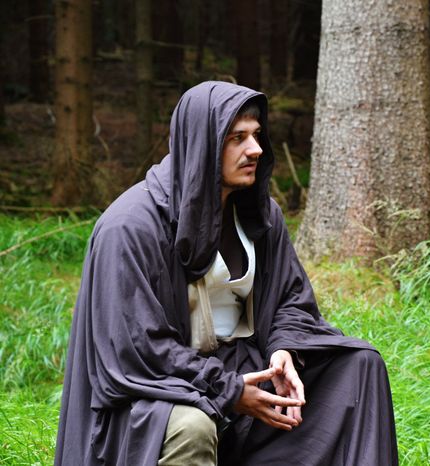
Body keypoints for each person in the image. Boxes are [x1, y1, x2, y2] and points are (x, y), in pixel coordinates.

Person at [54, 81, 398, 465]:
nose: (255, 149)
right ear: (202, 144)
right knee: (193, 426)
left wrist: (283, 349)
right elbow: (138, 349)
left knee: (360, 367)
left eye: (256, 135)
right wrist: (229, 390)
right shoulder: (130, 228)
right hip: (157, 389)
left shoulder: (259, 215)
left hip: (242, 369)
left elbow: (290, 298)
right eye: (237, 138)